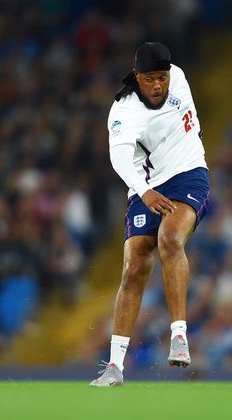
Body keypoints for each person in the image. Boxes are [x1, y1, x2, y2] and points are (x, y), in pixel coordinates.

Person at [90, 42, 210, 386]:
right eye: (150, 79)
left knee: (170, 238)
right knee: (134, 265)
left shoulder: (179, 79)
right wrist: (145, 191)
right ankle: (114, 367)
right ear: (136, 77)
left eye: (162, 78)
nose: (158, 85)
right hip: (145, 184)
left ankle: (179, 336)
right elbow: (119, 159)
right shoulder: (124, 112)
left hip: (189, 173)